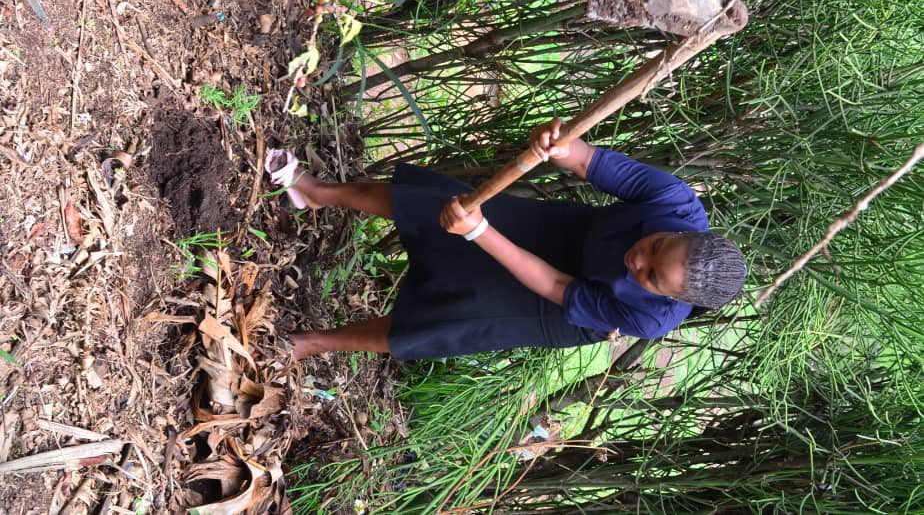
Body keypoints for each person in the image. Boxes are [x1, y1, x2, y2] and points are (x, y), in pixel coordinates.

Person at [266, 118, 746, 360]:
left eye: (651, 276)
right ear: (683, 230)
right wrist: (560, 145)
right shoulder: (674, 200)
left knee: (445, 322)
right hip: (574, 232)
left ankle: (313, 343)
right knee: (436, 203)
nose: (638, 260)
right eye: (655, 246)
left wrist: (481, 234)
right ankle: (314, 192)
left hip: (563, 302)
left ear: (671, 298)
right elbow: (587, 160)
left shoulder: (650, 317)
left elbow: (556, 286)